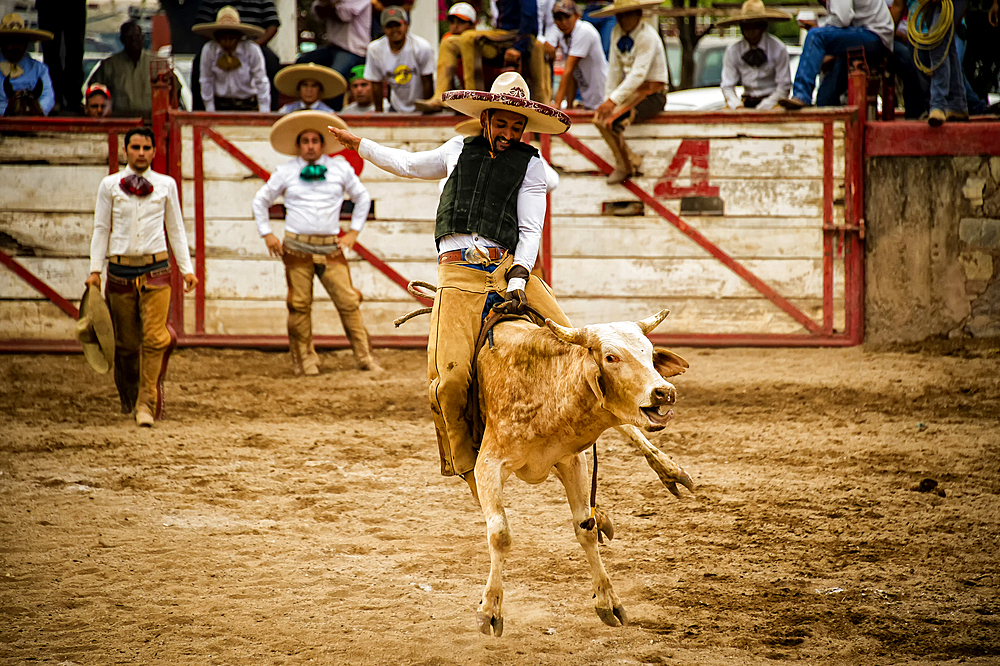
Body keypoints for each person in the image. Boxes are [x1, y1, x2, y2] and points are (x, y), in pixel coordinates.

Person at [327, 72, 572, 494]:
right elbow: (407, 164)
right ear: (486, 118)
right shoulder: (456, 149)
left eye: (517, 126)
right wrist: (359, 145)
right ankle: (465, 461)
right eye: (502, 123)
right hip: (457, 277)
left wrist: (518, 278)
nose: (509, 133)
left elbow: (531, 231)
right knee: (451, 379)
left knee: (571, 342)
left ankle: (583, 422)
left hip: (506, 269)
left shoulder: (532, 166)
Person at [251, 111, 381, 375]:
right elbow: (260, 200)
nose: (310, 145)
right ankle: (306, 360)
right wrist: (267, 233)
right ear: (299, 145)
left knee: (348, 301)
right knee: (299, 304)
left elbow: (362, 198)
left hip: (331, 247)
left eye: (314, 140)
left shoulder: (340, 168)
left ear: (322, 144)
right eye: (305, 141)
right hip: (297, 247)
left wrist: (354, 232)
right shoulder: (285, 171)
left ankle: (364, 356)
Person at [85, 127, 198, 428]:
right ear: (125, 151)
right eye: (135, 147)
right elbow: (101, 228)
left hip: (156, 268)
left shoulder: (166, 185)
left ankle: (145, 402)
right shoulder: (109, 185)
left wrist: (186, 268)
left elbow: (175, 228)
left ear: (153, 152)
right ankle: (131, 394)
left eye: (146, 147)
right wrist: (95, 270)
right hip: (120, 269)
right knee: (125, 342)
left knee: (152, 338)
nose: (141, 153)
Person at [590, 0, 668, 184]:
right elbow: (614, 70)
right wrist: (608, 99)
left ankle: (624, 164)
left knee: (610, 121)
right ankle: (629, 159)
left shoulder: (647, 36)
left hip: (653, 94)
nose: (623, 19)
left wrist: (613, 101)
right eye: (620, 15)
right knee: (599, 119)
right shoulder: (616, 32)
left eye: (627, 14)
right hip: (633, 92)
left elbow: (638, 74)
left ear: (639, 15)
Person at [778, 0, 893, 109]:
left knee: (815, 36)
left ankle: (801, 94)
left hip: (873, 35)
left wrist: (819, 27)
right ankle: (825, 112)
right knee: (826, 94)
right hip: (869, 36)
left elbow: (842, 19)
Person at [192, 0, 282, 111]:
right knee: (197, 63)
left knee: (271, 61)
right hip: (215, 43)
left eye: (230, 38)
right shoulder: (209, 49)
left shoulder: (252, 49)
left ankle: (271, 110)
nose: (228, 40)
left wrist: (254, 46)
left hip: (255, 42)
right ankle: (199, 111)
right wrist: (222, 44)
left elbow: (272, 24)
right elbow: (202, 21)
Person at [717, 0, 792, 111]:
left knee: (779, 111)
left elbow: (784, 86)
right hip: (745, 102)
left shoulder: (778, 48)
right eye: (746, 26)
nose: (750, 31)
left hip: (773, 102)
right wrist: (737, 105)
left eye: (755, 25)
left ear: (763, 26)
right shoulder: (733, 50)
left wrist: (766, 106)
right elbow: (727, 86)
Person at [298, 0, 372, 110]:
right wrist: (332, 4)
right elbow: (317, 12)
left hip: (354, 50)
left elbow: (344, 16)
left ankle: (334, 114)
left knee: (334, 77)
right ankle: (303, 108)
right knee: (301, 64)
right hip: (332, 48)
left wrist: (330, 5)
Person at [363, 6, 434, 113]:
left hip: (420, 106)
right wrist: (379, 113)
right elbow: (376, 83)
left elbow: (427, 81)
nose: (394, 30)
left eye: (398, 25)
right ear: (383, 29)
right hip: (396, 106)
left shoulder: (422, 47)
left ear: (406, 25)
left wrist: (426, 110)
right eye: (389, 26)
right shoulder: (375, 49)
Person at [413, 2, 480, 112]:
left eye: (461, 22)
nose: (455, 26)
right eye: (452, 22)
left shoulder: (479, 42)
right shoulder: (448, 40)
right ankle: (440, 99)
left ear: (472, 25)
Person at [542, 0, 609, 110]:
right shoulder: (564, 36)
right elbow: (572, 76)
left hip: (603, 97)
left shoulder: (584, 31)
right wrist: (568, 106)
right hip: (589, 99)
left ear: (577, 16)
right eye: (559, 18)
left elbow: (568, 70)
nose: (563, 23)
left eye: (567, 17)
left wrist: (557, 105)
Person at [89, 21, 153, 119]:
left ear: (143, 38)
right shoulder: (110, 65)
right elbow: (94, 91)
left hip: (151, 122)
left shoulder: (156, 63)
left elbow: (175, 90)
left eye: (136, 36)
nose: (133, 40)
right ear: (122, 40)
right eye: (129, 37)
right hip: (119, 122)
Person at [0, 13, 55, 116]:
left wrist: (29, 111)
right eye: (10, 42)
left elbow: (47, 98)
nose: (15, 46)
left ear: (25, 44)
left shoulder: (39, 69)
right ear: (2, 43)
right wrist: (13, 111)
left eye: (19, 42)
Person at [36, 0, 84, 115]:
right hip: (49, 5)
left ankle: (72, 99)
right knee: (51, 48)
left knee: (74, 48)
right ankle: (57, 98)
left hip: (74, 5)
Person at [275, 62, 346, 113]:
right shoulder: (286, 110)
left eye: (314, 86)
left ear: (320, 90)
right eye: (305, 85)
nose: (309, 90)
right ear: (299, 89)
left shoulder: (328, 113)